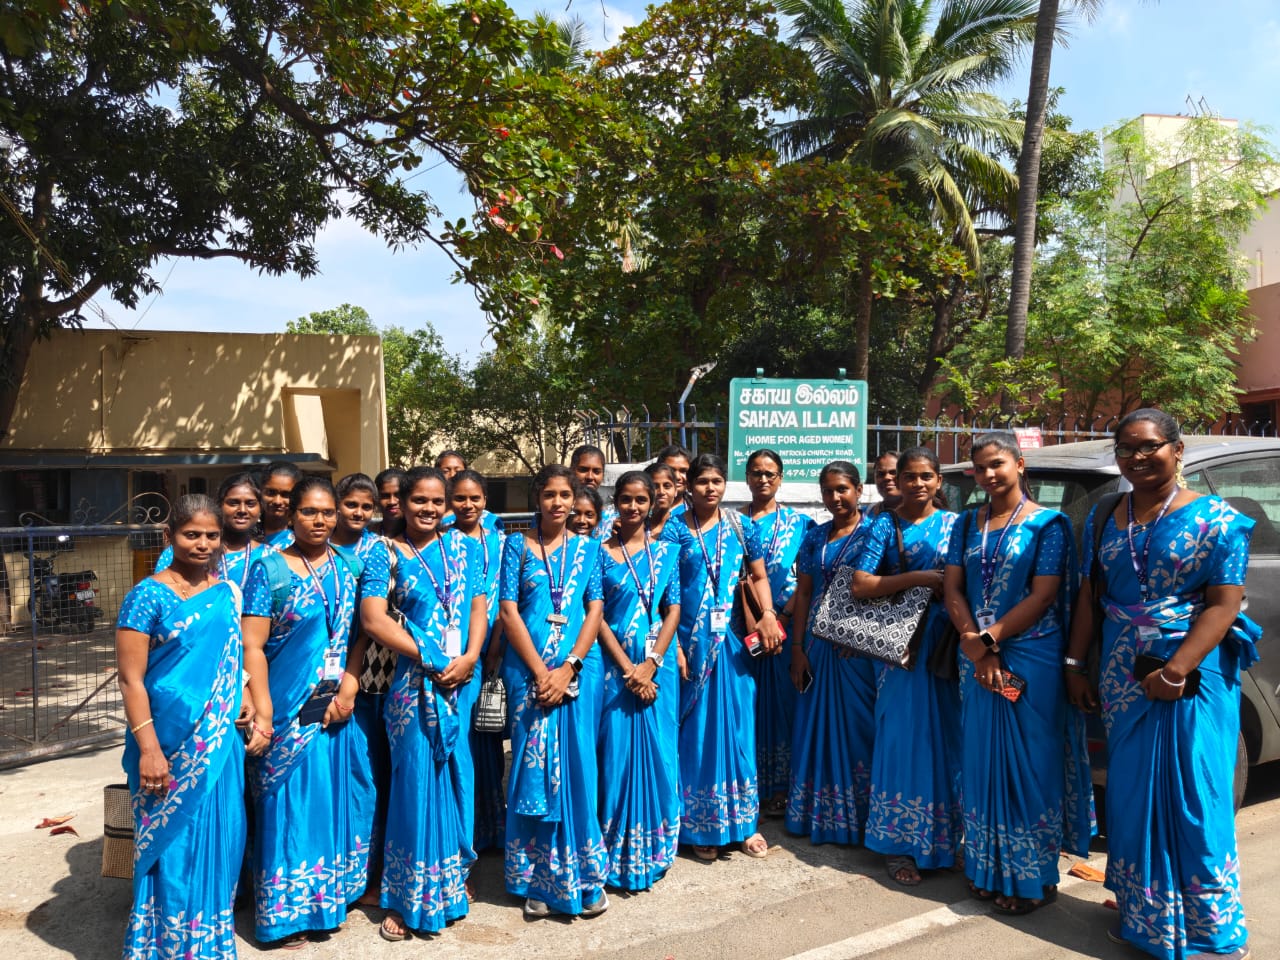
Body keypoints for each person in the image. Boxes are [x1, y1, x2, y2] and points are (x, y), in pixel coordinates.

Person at [1065, 409, 1257, 960]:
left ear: (1177, 450)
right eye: (1126, 448)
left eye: (1149, 446)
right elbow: (1090, 596)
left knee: (1196, 797)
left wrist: (1176, 671)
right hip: (1123, 672)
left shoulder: (1218, 520)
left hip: (1193, 673)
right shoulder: (1104, 514)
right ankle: (1146, 917)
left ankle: (1210, 933)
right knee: (1132, 796)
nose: (1137, 457)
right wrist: (1075, 665)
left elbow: (1224, 605)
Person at [942, 432, 1093, 914]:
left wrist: (989, 641)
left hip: (1031, 658)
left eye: (997, 464)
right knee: (982, 763)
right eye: (979, 467)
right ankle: (986, 869)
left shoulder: (1048, 525)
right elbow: (953, 590)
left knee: (1030, 766)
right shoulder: (966, 524)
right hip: (976, 659)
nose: (988, 474)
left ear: (1020, 464)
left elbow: (1044, 595)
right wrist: (975, 645)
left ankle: (1032, 879)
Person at [116, 495, 253, 959]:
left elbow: (232, 656)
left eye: (212, 535)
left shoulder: (226, 592)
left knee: (221, 838)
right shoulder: (146, 596)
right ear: (169, 536)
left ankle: (208, 944)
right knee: (171, 846)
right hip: (166, 741)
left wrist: (244, 695)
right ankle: (162, 947)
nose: (203, 544)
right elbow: (131, 680)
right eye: (191, 534)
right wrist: (150, 750)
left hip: (219, 742)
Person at [241, 476, 372, 947]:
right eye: (309, 512)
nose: (320, 521)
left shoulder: (350, 566)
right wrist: (264, 712)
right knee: (288, 808)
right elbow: (252, 646)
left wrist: (350, 686)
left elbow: (360, 634)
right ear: (291, 515)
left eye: (327, 512)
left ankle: (325, 902)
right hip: (286, 711)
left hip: (335, 709)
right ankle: (282, 915)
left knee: (330, 803)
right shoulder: (270, 570)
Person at [359, 466, 486, 941]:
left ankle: (453, 878)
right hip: (411, 683)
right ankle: (405, 895)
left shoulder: (466, 548)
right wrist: (429, 656)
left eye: (437, 502)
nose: (429, 509)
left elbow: (479, 607)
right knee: (414, 780)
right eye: (419, 501)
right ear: (402, 503)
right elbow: (373, 619)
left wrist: (469, 657)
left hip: (460, 678)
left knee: (457, 774)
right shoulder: (384, 552)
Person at [499, 465, 608, 918]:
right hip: (527, 674)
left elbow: (595, 608)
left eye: (565, 495)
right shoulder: (516, 546)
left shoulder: (589, 548)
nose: (558, 503)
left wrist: (568, 667)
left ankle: (584, 873)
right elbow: (508, 610)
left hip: (578, 672)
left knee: (579, 768)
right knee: (532, 770)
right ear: (536, 499)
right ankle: (534, 878)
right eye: (549, 495)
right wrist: (541, 672)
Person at [661, 453, 781, 861]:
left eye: (716, 481)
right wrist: (675, 647)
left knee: (739, 730)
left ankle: (744, 823)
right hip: (691, 646)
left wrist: (768, 613)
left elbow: (759, 576)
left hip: (733, 645)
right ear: (688, 486)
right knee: (697, 735)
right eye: (702, 481)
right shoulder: (675, 529)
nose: (710, 488)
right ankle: (702, 824)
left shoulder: (741, 526)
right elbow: (666, 593)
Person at [851, 446, 960, 887]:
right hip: (900, 647)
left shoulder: (956, 524)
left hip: (948, 645)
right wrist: (921, 578)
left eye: (925, 476)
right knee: (901, 738)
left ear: (938, 481)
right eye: (909, 476)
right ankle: (898, 843)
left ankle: (943, 841)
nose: (917, 484)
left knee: (948, 739)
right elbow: (861, 584)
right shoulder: (884, 524)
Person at [596, 471, 682, 890]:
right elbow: (595, 617)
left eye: (641, 500)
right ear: (615, 501)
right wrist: (630, 669)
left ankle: (656, 847)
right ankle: (614, 851)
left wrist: (652, 662)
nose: (633, 507)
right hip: (613, 671)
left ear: (652, 504)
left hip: (657, 668)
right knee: (614, 757)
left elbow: (673, 610)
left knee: (661, 754)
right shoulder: (597, 554)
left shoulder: (666, 552)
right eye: (626, 499)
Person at [786, 461, 877, 845]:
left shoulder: (875, 531)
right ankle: (820, 815)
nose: (836, 497)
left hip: (856, 648)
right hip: (818, 646)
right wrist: (797, 647)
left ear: (858, 489)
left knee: (860, 729)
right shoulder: (814, 537)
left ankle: (863, 816)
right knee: (815, 728)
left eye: (842, 489)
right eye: (828, 490)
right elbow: (804, 592)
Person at [739, 449, 813, 818]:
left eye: (770, 473)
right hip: (743, 630)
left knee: (787, 707)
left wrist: (780, 617)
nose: (763, 479)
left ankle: (784, 788)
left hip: (788, 629)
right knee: (747, 707)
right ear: (747, 478)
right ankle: (751, 786)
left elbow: (808, 580)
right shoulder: (733, 523)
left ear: (781, 478)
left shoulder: (801, 525)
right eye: (756, 472)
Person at [446, 469, 508, 854]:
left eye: (475, 498)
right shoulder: (443, 540)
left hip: (495, 645)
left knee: (488, 734)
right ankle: (463, 830)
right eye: (460, 498)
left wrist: (496, 647)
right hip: (456, 652)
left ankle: (491, 826)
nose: (468, 505)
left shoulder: (500, 541)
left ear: (485, 500)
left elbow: (507, 596)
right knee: (462, 742)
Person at [154, 472, 273, 579]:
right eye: (233, 503)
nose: (242, 510)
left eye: (250, 504)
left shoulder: (270, 556)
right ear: (219, 505)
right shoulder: (180, 553)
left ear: (260, 509)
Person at [332, 473, 381, 559]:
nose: (358, 513)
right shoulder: (318, 543)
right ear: (337, 504)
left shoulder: (376, 548)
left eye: (366, 507)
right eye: (351, 505)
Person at [259, 461, 302, 548]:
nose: (277, 501)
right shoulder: (244, 537)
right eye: (270, 493)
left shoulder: (305, 540)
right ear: (260, 492)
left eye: (286, 495)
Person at [644, 462, 680, 539]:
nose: (661, 492)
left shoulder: (683, 525)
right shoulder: (635, 527)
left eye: (667, 486)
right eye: (655, 487)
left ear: (676, 491)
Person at [372, 468, 406, 539]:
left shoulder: (419, 535)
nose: (392, 502)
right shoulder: (367, 534)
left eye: (398, 495)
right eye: (385, 496)